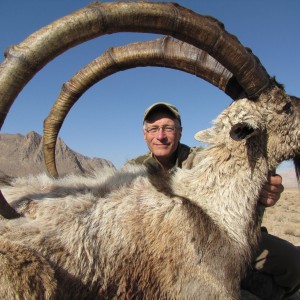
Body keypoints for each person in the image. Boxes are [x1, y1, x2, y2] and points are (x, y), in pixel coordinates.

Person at [128, 102, 300, 299]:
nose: (160, 136)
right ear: (144, 134)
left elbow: (237, 190)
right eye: (153, 129)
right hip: (164, 249)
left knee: (293, 264)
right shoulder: (130, 172)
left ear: (180, 132)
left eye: (168, 128)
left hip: (220, 239)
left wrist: (264, 194)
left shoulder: (203, 160)